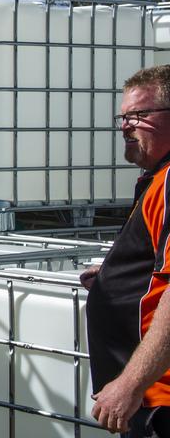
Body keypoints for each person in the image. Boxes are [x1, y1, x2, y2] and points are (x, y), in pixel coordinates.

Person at [83, 64, 170, 436]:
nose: (125, 126)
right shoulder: (156, 179)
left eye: (139, 115)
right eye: (123, 116)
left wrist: (130, 384)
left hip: (159, 402)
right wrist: (115, 278)